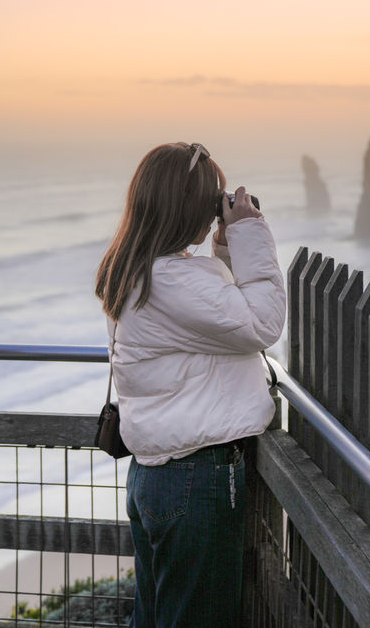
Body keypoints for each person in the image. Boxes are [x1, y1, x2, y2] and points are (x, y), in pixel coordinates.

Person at [95, 142, 286, 627]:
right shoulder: (172, 280)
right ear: (184, 207)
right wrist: (250, 235)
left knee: (159, 616)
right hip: (193, 478)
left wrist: (224, 248)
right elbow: (260, 324)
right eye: (207, 201)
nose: (212, 213)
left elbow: (217, 318)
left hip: (159, 474)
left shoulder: (140, 269)